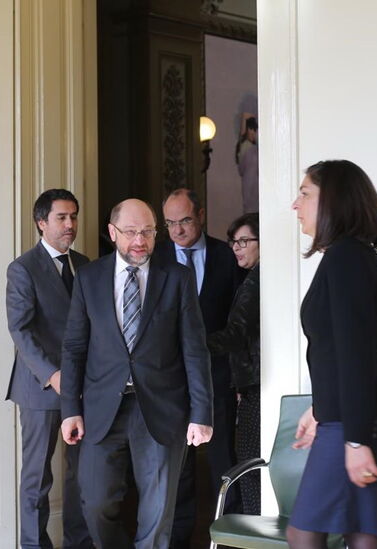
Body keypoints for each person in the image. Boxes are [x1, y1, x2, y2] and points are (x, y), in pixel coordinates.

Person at [60, 198, 214, 549]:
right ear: (112, 233)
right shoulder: (88, 278)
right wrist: (70, 409)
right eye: (130, 232)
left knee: (159, 512)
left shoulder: (177, 278)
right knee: (95, 503)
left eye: (147, 231)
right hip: (102, 409)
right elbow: (73, 349)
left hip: (161, 409)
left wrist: (201, 413)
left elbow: (194, 349)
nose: (140, 240)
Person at [287, 160, 377, 549]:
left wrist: (355, 440)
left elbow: (356, 355)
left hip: (355, 423)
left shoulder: (346, 258)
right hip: (355, 416)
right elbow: (341, 351)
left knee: (306, 533)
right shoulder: (349, 256)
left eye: (305, 193)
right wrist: (319, 409)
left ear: (333, 202)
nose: (295, 204)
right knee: (361, 534)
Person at [152, 188, 244, 545]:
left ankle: (230, 536)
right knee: (179, 468)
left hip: (218, 374)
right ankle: (177, 539)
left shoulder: (225, 255)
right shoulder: (156, 258)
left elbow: (239, 320)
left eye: (185, 220)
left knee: (223, 460)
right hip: (171, 379)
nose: (177, 230)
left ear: (201, 215)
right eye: (170, 223)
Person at [6, 189, 92, 549]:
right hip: (40, 387)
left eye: (73, 216)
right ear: (41, 222)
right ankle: (32, 544)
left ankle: (79, 543)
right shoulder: (23, 268)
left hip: (85, 387)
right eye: (61, 217)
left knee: (83, 476)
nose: (70, 224)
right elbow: (21, 330)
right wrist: (52, 374)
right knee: (37, 478)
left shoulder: (86, 265)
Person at [207, 212, 261, 515]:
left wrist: (194, 345)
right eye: (233, 242)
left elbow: (236, 334)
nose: (236, 248)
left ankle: (255, 532)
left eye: (244, 241)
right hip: (250, 382)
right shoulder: (252, 277)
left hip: (256, 385)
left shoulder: (256, 281)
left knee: (250, 463)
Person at [236, 114, 259, 214]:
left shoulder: (247, 147)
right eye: (253, 130)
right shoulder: (249, 148)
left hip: (251, 181)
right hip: (251, 182)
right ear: (249, 129)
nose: (254, 134)